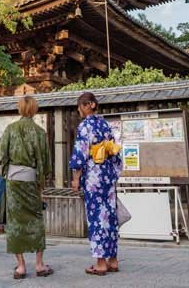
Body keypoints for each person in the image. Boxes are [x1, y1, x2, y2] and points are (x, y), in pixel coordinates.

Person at [0, 95, 53, 280]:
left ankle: (20, 266)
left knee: (15, 222)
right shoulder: (40, 132)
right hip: (32, 181)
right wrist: (41, 182)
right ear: (34, 109)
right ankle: (40, 264)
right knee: (36, 219)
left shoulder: (10, 129)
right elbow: (46, 163)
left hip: (14, 181)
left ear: (19, 108)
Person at [70, 92, 123, 276]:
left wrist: (76, 178)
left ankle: (100, 263)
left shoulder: (85, 126)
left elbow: (80, 155)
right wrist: (115, 172)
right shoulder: (105, 124)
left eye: (81, 107)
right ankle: (113, 260)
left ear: (89, 105)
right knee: (109, 215)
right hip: (107, 175)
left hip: (93, 176)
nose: (80, 111)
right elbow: (114, 150)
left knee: (96, 217)